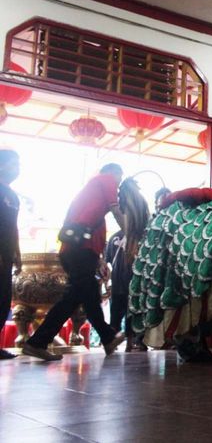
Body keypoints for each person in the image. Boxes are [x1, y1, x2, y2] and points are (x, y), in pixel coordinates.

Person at [22, 164, 127, 361]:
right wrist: (132, 234)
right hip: (80, 251)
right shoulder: (106, 180)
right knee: (73, 296)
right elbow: (116, 210)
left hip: (76, 251)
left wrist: (99, 259)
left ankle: (107, 337)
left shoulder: (91, 197)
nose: (119, 183)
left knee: (89, 297)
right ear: (114, 173)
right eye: (120, 178)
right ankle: (37, 342)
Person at [105, 230, 145, 352]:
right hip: (130, 282)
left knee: (117, 314)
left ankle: (114, 341)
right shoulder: (139, 235)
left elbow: (108, 261)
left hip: (119, 282)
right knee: (130, 312)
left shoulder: (114, 237)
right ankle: (130, 342)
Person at [0, 150, 21, 360]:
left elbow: (13, 227)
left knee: (4, 300)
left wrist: (17, 251)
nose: (18, 169)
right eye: (13, 164)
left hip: (6, 256)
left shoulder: (13, 196)